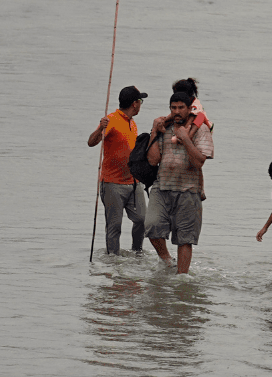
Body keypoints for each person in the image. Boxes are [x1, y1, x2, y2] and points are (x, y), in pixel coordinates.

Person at [145, 92, 214, 274]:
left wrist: (185, 138)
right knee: (151, 226)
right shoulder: (164, 129)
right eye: (173, 108)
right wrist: (154, 130)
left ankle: (181, 278)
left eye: (180, 108)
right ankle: (168, 260)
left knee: (185, 238)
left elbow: (199, 161)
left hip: (189, 189)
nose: (176, 112)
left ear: (189, 108)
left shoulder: (201, 129)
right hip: (161, 186)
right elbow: (153, 161)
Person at [87, 86, 149, 255]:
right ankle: (113, 261)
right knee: (114, 227)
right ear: (135, 104)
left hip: (133, 182)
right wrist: (100, 128)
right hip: (112, 183)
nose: (141, 105)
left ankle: (137, 253)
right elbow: (91, 142)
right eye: (140, 101)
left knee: (143, 220)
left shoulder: (132, 123)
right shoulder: (111, 120)